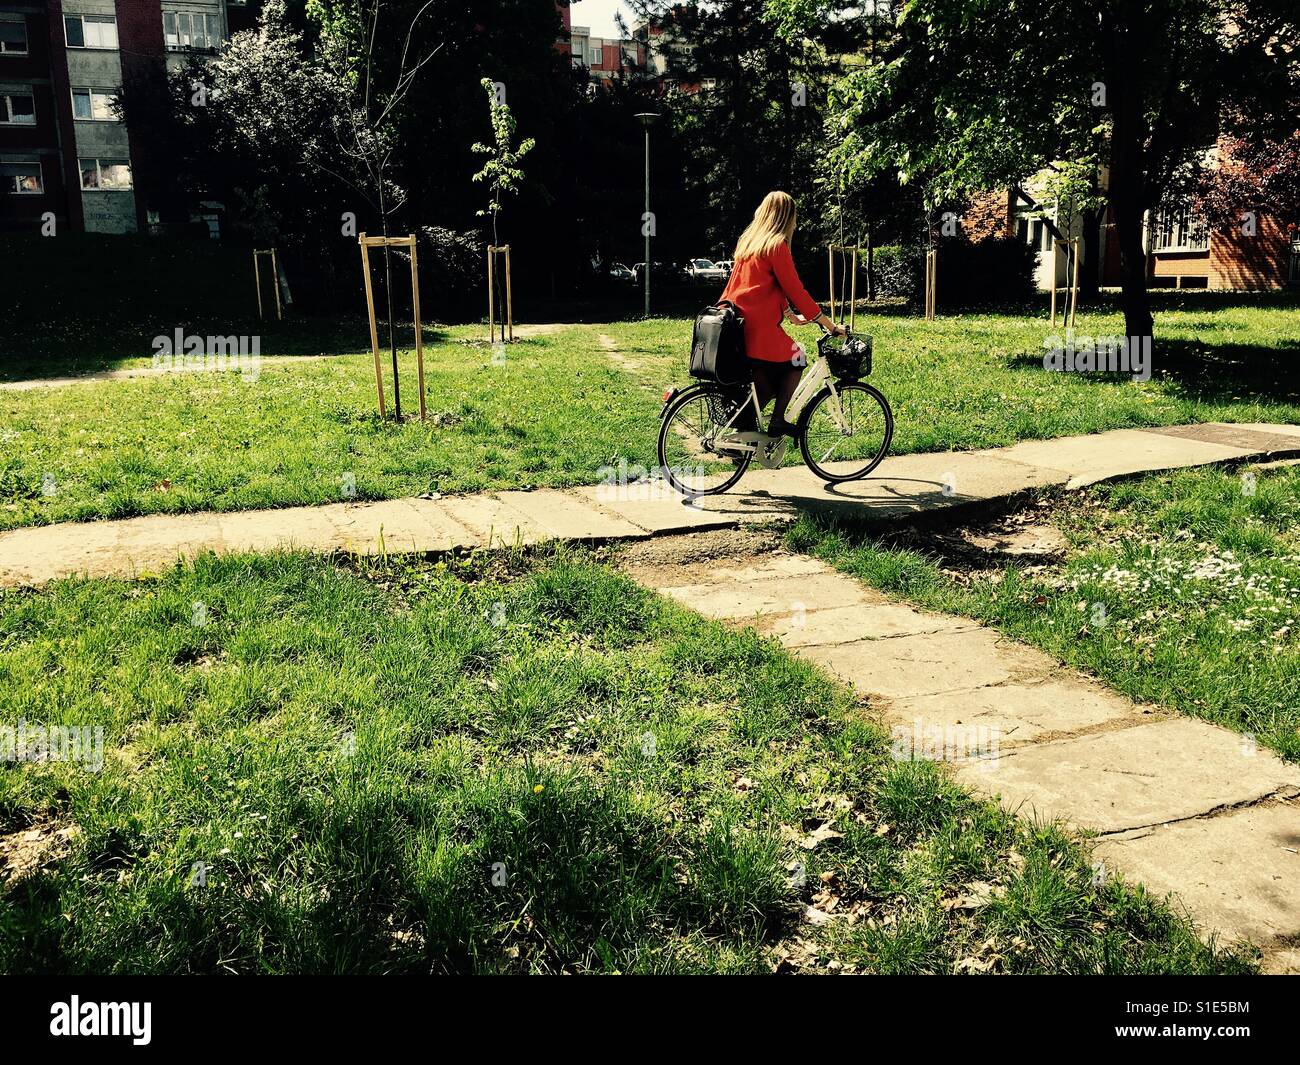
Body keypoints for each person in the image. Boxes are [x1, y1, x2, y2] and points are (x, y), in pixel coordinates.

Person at [719, 190, 845, 437]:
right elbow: (795, 289)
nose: (796, 223)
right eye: (794, 217)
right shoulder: (777, 246)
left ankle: (740, 432)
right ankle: (777, 421)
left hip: (737, 322)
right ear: (786, 217)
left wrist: (788, 314)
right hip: (756, 327)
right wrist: (830, 326)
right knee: (797, 358)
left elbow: (764, 285)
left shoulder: (748, 244)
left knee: (765, 386)